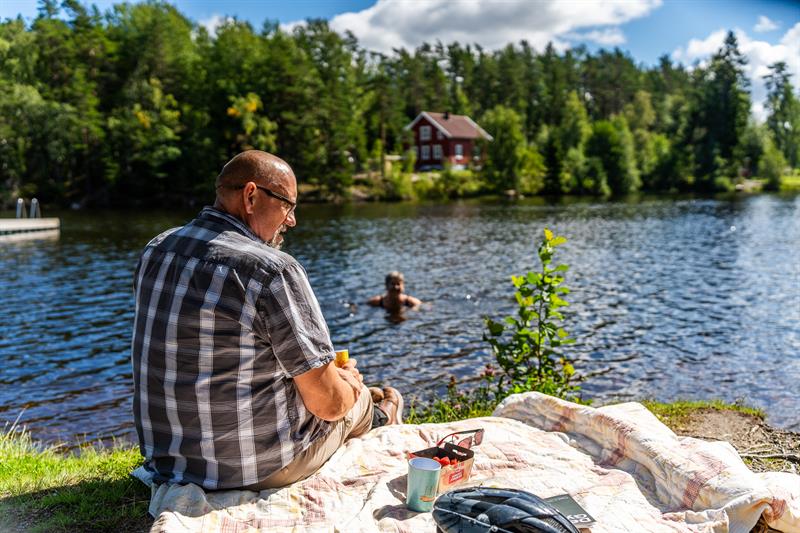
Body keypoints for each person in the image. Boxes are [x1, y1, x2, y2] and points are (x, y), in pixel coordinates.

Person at [131, 150, 403, 492]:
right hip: (250, 469)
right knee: (353, 397)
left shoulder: (157, 249)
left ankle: (369, 404)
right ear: (250, 196)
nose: (291, 221)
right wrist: (348, 383)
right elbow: (329, 403)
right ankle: (382, 417)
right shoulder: (272, 270)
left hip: (167, 460)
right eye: (288, 206)